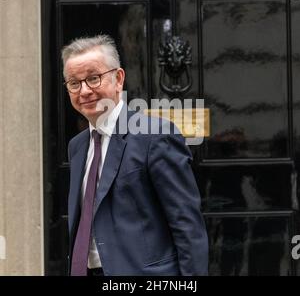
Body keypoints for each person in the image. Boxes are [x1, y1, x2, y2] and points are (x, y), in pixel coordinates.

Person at [62, 34, 208, 276]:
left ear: (118, 78)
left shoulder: (155, 136)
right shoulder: (77, 147)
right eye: (74, 83)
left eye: (93, 78)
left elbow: (187, 226)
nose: (84, 91)